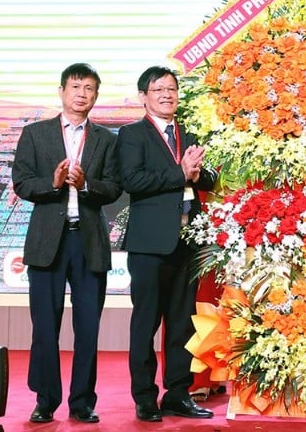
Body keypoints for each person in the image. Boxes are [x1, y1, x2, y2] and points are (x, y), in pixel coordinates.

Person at [12, 62, 122, 424]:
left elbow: (114, 188)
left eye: (89, 88)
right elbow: (22, 184)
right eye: (76, 87)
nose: (82, 94)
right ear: (62, 91)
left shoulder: (107, 139)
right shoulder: (35, 134)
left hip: (87, 242)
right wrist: (55, 183)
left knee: (88, 327)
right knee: (45, 325)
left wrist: (86, 185)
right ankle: (45, 399)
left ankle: (82, 402)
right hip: (47, 243)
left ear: (95, 95)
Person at [117, 65, 218, 422]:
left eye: (172, 88)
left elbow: (211, 176)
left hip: (189, 241)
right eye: (158, 89)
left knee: (182, 323)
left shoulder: (188, 132)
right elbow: (132, 179)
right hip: (149, 244)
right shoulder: (131, 135)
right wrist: (180, 173)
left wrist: (198, 172)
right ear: (144, 96)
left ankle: (178, 393)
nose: (167, 94)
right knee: (146, 323)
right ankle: (145, 397)